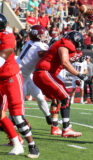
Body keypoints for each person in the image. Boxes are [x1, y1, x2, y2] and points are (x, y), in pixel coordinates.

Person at [0, 14, 39, 158]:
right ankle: (16, 142)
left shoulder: (7, 37)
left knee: (17, 116)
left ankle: (32, 146)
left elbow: (2, 57)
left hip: (11, 78)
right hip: (0, 78)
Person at [33, 31, 85, 138]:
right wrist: (79, 74)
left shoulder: (64, 45)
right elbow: (65, 62)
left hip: (42, 73)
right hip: (45, 72)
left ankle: (56, 127)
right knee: (65, 97)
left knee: (57, 99)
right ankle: (66, 128)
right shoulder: (65, 43)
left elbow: (51, 56)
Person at [16, 25, 52, 125]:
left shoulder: (30, 42)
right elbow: (47, 55)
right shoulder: (40, 46)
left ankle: (48, 116)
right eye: (43, 35)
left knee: (39, 96)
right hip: (19, 75)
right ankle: (14, 122)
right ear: (37, 36)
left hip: (27, 75)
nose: (45, 37)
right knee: (19, 101)